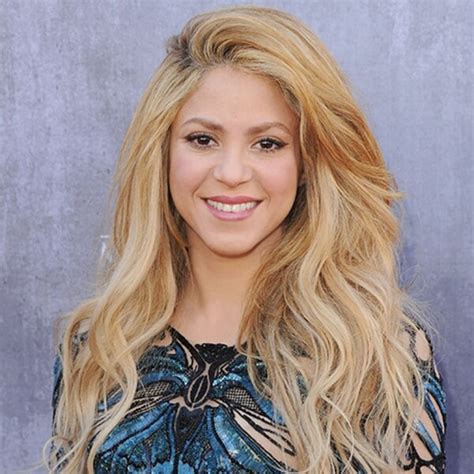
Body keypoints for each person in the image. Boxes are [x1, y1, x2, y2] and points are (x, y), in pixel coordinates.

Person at [44, 5, 446, 473]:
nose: (232, 172)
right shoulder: (96, 349)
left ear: (307, 164)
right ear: (162, 151)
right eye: (202, 139)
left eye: (267, 143)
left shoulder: (379, 356)